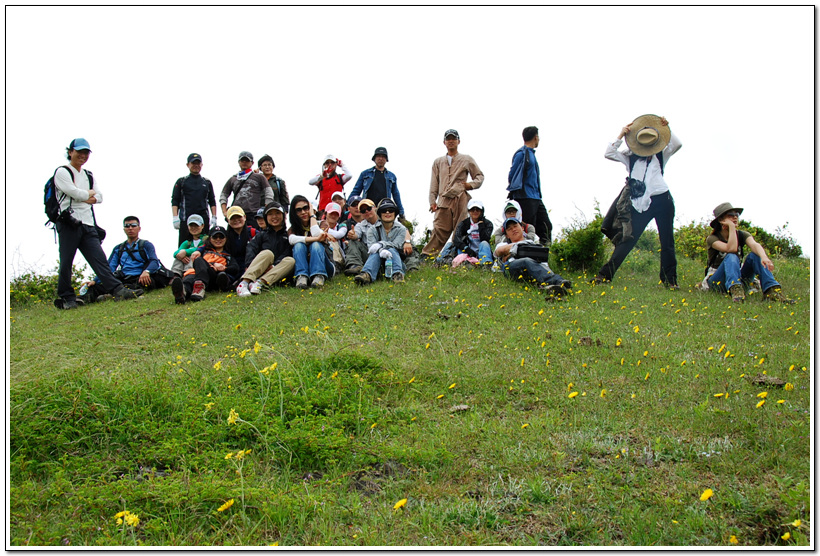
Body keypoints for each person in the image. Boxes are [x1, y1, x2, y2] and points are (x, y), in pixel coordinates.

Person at [594, 115, 682, 289]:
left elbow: (677, 144)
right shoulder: (630, 156)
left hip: (662, 200)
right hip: (638, 202)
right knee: (628, 239)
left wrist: (667, 128)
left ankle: (670, 281)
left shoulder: (662, 154)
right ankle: (604, 275)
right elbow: (609, 153)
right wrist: (620, 135)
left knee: (667, 241)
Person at [52, 138, 138, 309]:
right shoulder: (62, 172)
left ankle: (117, 289)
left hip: (88, 223)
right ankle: (67, 297)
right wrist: (87, 195)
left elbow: (99, 197)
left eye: (86, 153)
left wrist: (85, 195)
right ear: (70, 152)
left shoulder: (88, 175)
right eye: (79, 152)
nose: (83, 156)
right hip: (69, 222)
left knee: (99, 259)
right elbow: (74, 193)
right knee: (66, 261)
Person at [702, 202, 794, 304]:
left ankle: (772, 291)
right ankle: (735, 290)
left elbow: (755, 245)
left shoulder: (742, 234)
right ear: (721, 220)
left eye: (736, 215)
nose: (735, 218)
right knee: (732, 256)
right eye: (730, 215)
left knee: (755, 256)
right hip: (717, 281)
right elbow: (731, 249)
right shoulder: (712, 238)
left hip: (738, 278)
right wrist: (732, 228)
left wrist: (764, 257)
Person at [423, 129, 484, 257]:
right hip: (443, 199)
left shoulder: (467, 159)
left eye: (453, 139)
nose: (451, 141)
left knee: (460, 229)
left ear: (458, 141)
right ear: (444, 142)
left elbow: (479, 176)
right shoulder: (438, 162)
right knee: (439, 229)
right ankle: (427, 256)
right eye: (448, 139)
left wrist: (470, 185)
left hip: (460, 197)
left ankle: (457, 255)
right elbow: (434, 183)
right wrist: (432, 201)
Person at [80, 215, 169, 302]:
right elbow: (109, 267)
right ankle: (82, 299)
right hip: (124, 278)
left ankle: (111, 296)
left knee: (149, 282)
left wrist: (147, 272)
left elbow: (154, 261)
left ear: (139, 228)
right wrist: (95, 281)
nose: (130, 228)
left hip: (141, 277)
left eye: (133, 225)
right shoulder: (118, 248)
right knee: (97, 287)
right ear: (124, 229)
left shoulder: (146, 245)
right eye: (127, 226)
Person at [495, 217, 571, 299]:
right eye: (509, 229)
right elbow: (499, 251)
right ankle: (557, 282)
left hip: (532, 268)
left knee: (537, 265)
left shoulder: (533, 243)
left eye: (515, 226)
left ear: (522, 228)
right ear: (507, 235)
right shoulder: (503, 244)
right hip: (512, 268)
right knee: (526, 261)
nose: (513, 229)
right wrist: (518, 246)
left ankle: (551, 288)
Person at [236, 202, 295, 296]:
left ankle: (259, 283)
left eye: (277, 213)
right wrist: (252, 264)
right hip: (259, 269)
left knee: (291, 260)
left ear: (283, 216)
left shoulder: (288, 236)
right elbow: (251, 249)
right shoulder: (261, 235)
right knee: (267, 253)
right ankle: (244, 283)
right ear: (266, 217)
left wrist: (273, 266)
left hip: (276, 271)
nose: (274, 217)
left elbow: (287, 253)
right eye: (270, 214)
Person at [507, 126, 551, 248]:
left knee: (546, 227)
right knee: (526, 227)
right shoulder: (522, 153)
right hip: (525, 197)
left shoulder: (531, 154)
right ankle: (523, 253)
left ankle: (546, 253)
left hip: (536, 197)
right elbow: (512, 174)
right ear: (536, 137)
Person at [170, 225, 239, 304]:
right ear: (210, 239)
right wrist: (212, 262)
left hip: (212, 276)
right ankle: (182, 293)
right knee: (190, 277)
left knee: (199, 260)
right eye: (215, 237)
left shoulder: (228, 255)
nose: (218, 239)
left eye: (221, 237)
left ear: (226, 239)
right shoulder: (204, 251)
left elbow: (235, 268)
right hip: (196, 274)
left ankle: (199, 288)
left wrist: (224, 268)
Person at [354, 198, 407, 285]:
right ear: (380, 214)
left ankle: (397, 275)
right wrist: (381, 250)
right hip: (378, 262)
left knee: (392, 250)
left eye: (390, 210)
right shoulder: (372, 229)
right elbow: (371, 248)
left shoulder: (401, 229)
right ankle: (366, 275)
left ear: (395, 213)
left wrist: (380, 244)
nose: (387, 213)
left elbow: (397, 245)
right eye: (384, 211)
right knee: (375, 253)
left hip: (396, 261)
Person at [288, 195, 335, 289]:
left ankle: (319, 275)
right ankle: (302, 276)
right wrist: (316, 239)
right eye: (299, 210)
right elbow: (292, 239)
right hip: (306, 266)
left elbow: (316, 233)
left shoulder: (321, 223)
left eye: (306, 208)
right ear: (294, 212)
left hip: (326, 266)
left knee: (316, 245)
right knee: (299, 245)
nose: (303, 212)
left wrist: (312, 216)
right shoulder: (293, 229)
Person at [349, 147, 406, 223]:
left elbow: (396, 194)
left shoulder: (391, 176)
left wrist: (401, 211)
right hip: (368, 209)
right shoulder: (365, 174)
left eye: (383, 156)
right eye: (378, 156)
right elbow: (356, 190)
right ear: (374, 158)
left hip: (384, 209)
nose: (381, 159)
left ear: (386, 159)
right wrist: (347, 204)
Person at [171, 153, 217, 246]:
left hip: (203, 219)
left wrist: (214, 216)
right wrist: (175, 217)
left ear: (201, 165)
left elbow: (212, 200)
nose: (196, 166)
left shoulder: (206, 182)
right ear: (188, 165)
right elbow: (175, 200)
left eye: (198, 163)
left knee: (205, 245)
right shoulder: (181, 181)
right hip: (186, 219)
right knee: (184, 245)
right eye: (193, 163)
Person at [220, 151, 274, 228]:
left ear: (252, 163)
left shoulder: (259, 177)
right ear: (239, 162)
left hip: (253, 214)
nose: (244, 162)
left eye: (247, 160)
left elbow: (269, 192)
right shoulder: (233, 179)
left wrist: (266, 208)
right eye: (242, 160)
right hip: (236, 214)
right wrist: (224, 211)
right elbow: (223, 195)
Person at [434, 199, 494, 267]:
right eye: (472, 209)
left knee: (484, 243)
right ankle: (460, 263)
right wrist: (466, 248)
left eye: (478, 209)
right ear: (469, 211)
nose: (475, 211)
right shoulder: (463, 224)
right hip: (467, 250)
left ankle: (486, 265)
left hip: (481, 250)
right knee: (454, 245)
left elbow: (485, 238)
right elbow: (456, 239)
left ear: (482, 211)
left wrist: (481, 224)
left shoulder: (488, 224)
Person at [224, 206, 257, 281]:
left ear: (245, 217)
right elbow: (210, 244)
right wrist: (198, 251)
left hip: (250, 267)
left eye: (239, 217)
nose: (236, 220)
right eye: (233, 218)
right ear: (228, 220)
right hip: (232, 268)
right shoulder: (225, 236)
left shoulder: (253, 232)